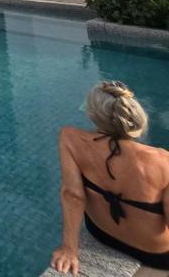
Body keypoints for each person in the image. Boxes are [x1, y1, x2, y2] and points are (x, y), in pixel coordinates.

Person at [52, 81, 169, 274]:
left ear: (93, 115)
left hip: (101, 233)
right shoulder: (163, 162)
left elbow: (72, 195)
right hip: (156, 253)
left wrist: (69, 249)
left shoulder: (70, 139)